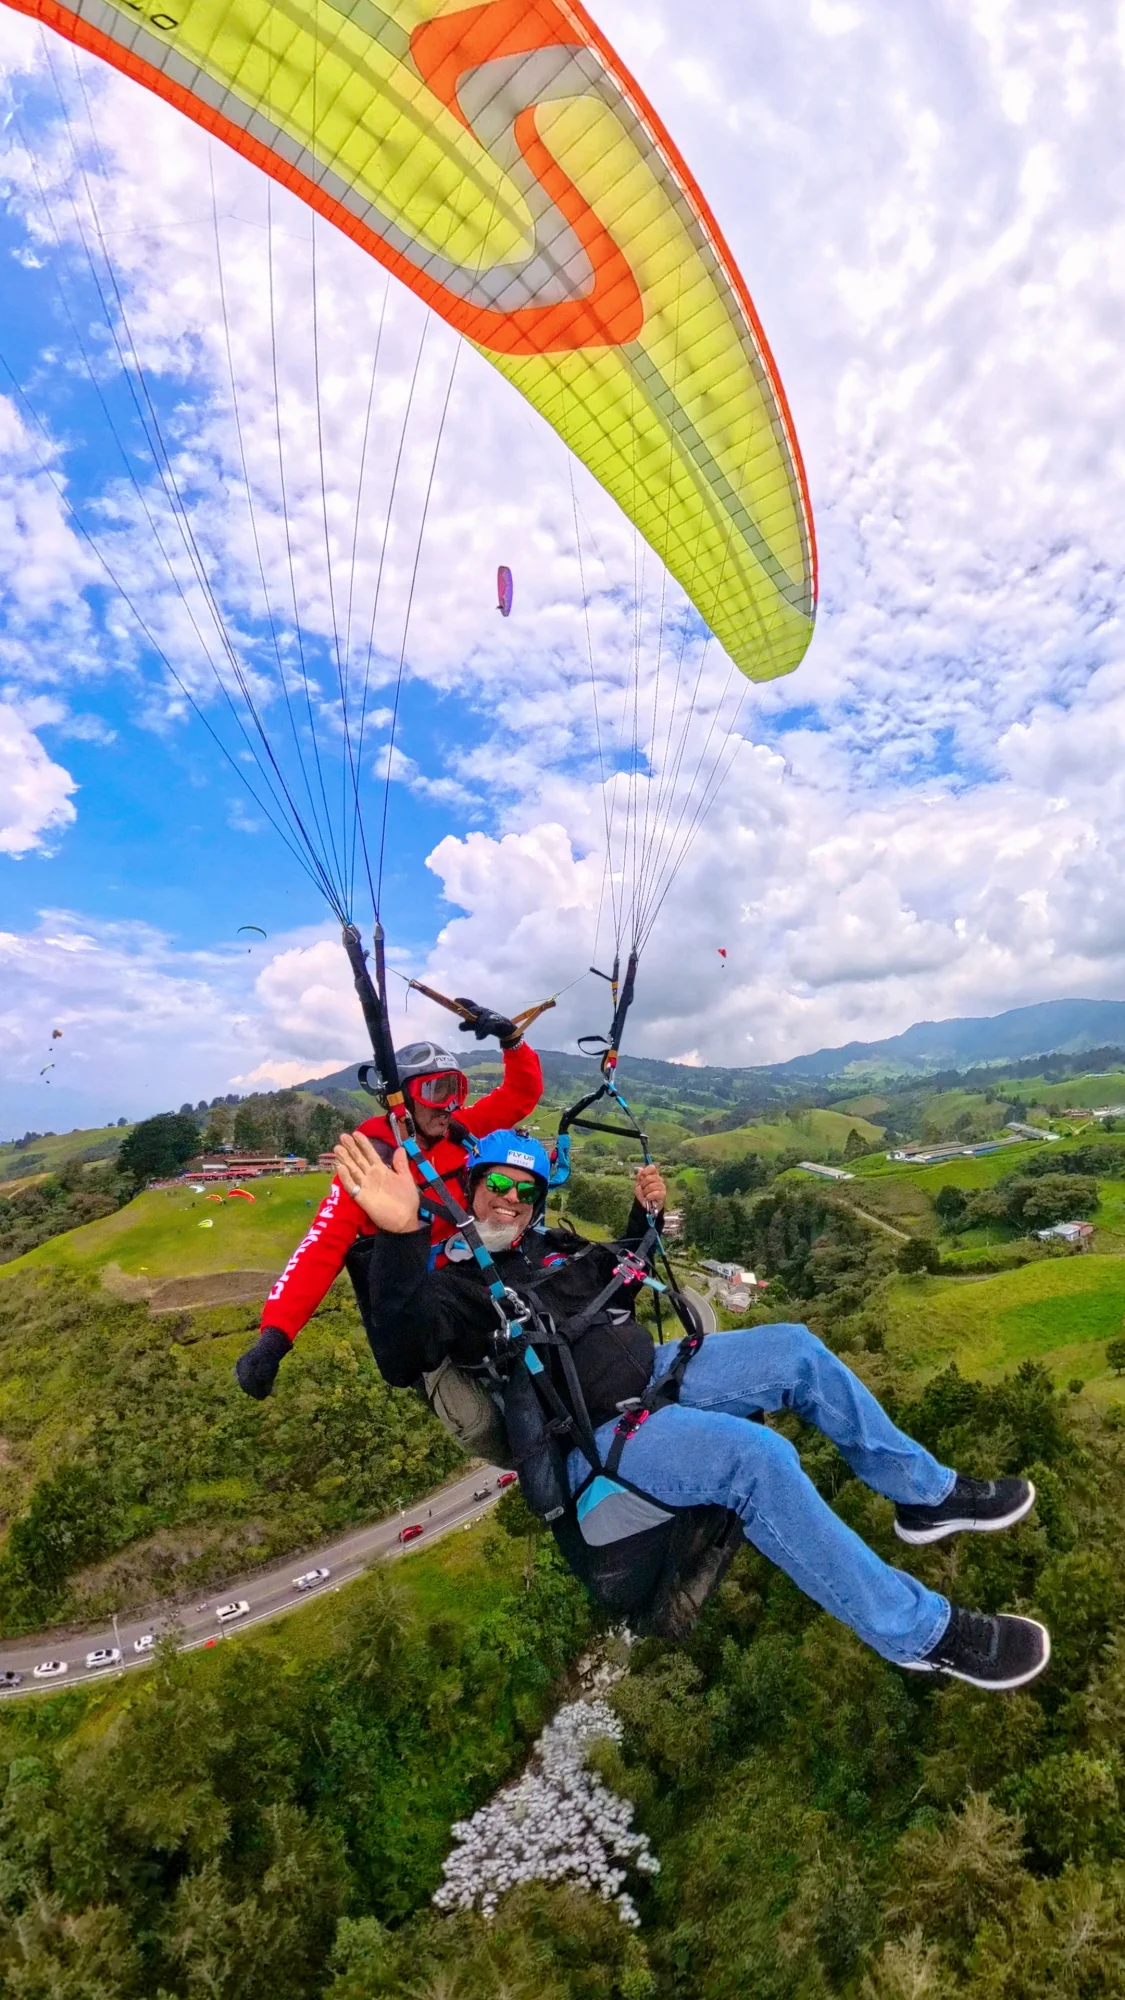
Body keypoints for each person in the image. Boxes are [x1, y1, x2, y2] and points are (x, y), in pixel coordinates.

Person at [331, 1125, 1051, 1691]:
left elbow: (620, 1268)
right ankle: (919, 1634)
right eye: (494, 1184)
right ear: (468, 1187)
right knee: (758, 1459)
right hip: (599, 1434)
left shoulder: (549, 1247)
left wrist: (642, 1216)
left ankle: (925, 1496)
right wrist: (398, 1236)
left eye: (525, 1189)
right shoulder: (456, 1286)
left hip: (664, 1371)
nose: (509, 1199)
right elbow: (402, 1349)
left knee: (796, 1348)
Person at [233, 1006, 543, 1399]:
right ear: (399, 1099)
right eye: (436, 1091)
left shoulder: (457, 1130)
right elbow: (320, 1249)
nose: (449, 1104)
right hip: (424, 1304)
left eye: (457, 1090)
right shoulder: (369, 1165)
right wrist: (274, 1338)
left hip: (479, 1274)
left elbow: (521, 1095)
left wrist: (512, 1042)